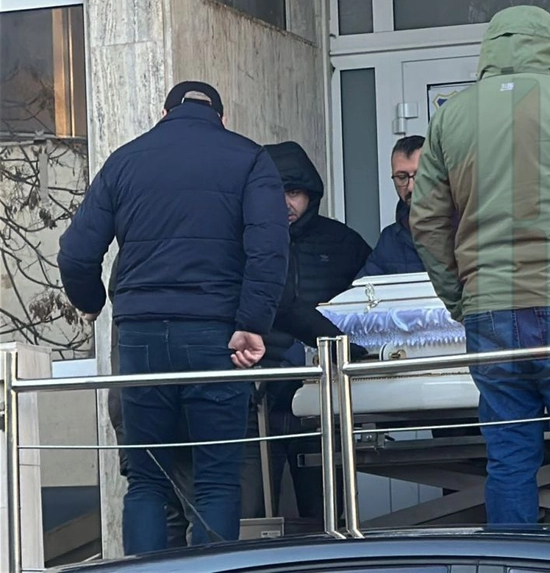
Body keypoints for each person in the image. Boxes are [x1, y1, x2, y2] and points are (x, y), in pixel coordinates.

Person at [410, 5, 550, 526]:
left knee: (508, 458)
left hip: (489, 309)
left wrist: (460, 298)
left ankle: (511, 561)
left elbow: (425, 221)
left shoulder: (451, 115)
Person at [57, 81, 288, 554]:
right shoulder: (249, 159)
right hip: (216, 334)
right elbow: (269, 249)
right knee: (217, 479)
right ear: (222, 119)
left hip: (141, 335)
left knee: (147, 479)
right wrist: (252, 324)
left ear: (163, 115)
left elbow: (76, 252)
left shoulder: (125, 160)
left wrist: (92, 300)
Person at [261, 141, 372, 518]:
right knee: (253, 512)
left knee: (327, 509)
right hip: (259, 393)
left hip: (323, 393)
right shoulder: (245, 243)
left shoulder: (342, 243)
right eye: (274, 192)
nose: (284, 203)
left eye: (293, 192)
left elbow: (370, 308)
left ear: (311, 194)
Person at [358, 135, 427, 277]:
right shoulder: (390, 240)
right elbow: (364, 287)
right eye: (402, 177)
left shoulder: (466, 229)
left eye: (419, 175)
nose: (411, 187)